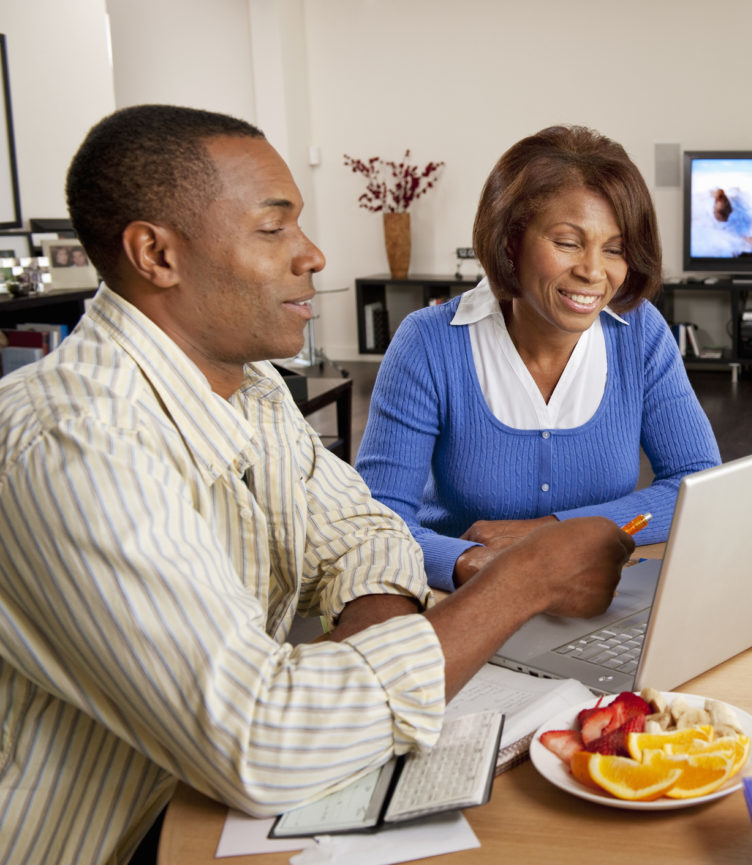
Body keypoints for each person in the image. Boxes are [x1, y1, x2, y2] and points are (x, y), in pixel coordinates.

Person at [0, 105, 635, 865]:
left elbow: (366, 531)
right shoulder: (75, 447)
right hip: (111, 840)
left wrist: (347, 679)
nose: (315, 254)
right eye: (275, 229)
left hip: (199, 802)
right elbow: (269, 741)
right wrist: (522, 580)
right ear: (156, 254)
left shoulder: (252, 388)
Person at [356, 126, 721, 592]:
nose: (593, 271)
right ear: (510, 241)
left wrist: (552, 530)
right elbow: (376, 524)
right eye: (568, 242)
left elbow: (697, 486)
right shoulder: (429, 343)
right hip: (460, 601)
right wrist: (479, 565)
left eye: (615, 249)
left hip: (593, 597)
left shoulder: (641, 333)